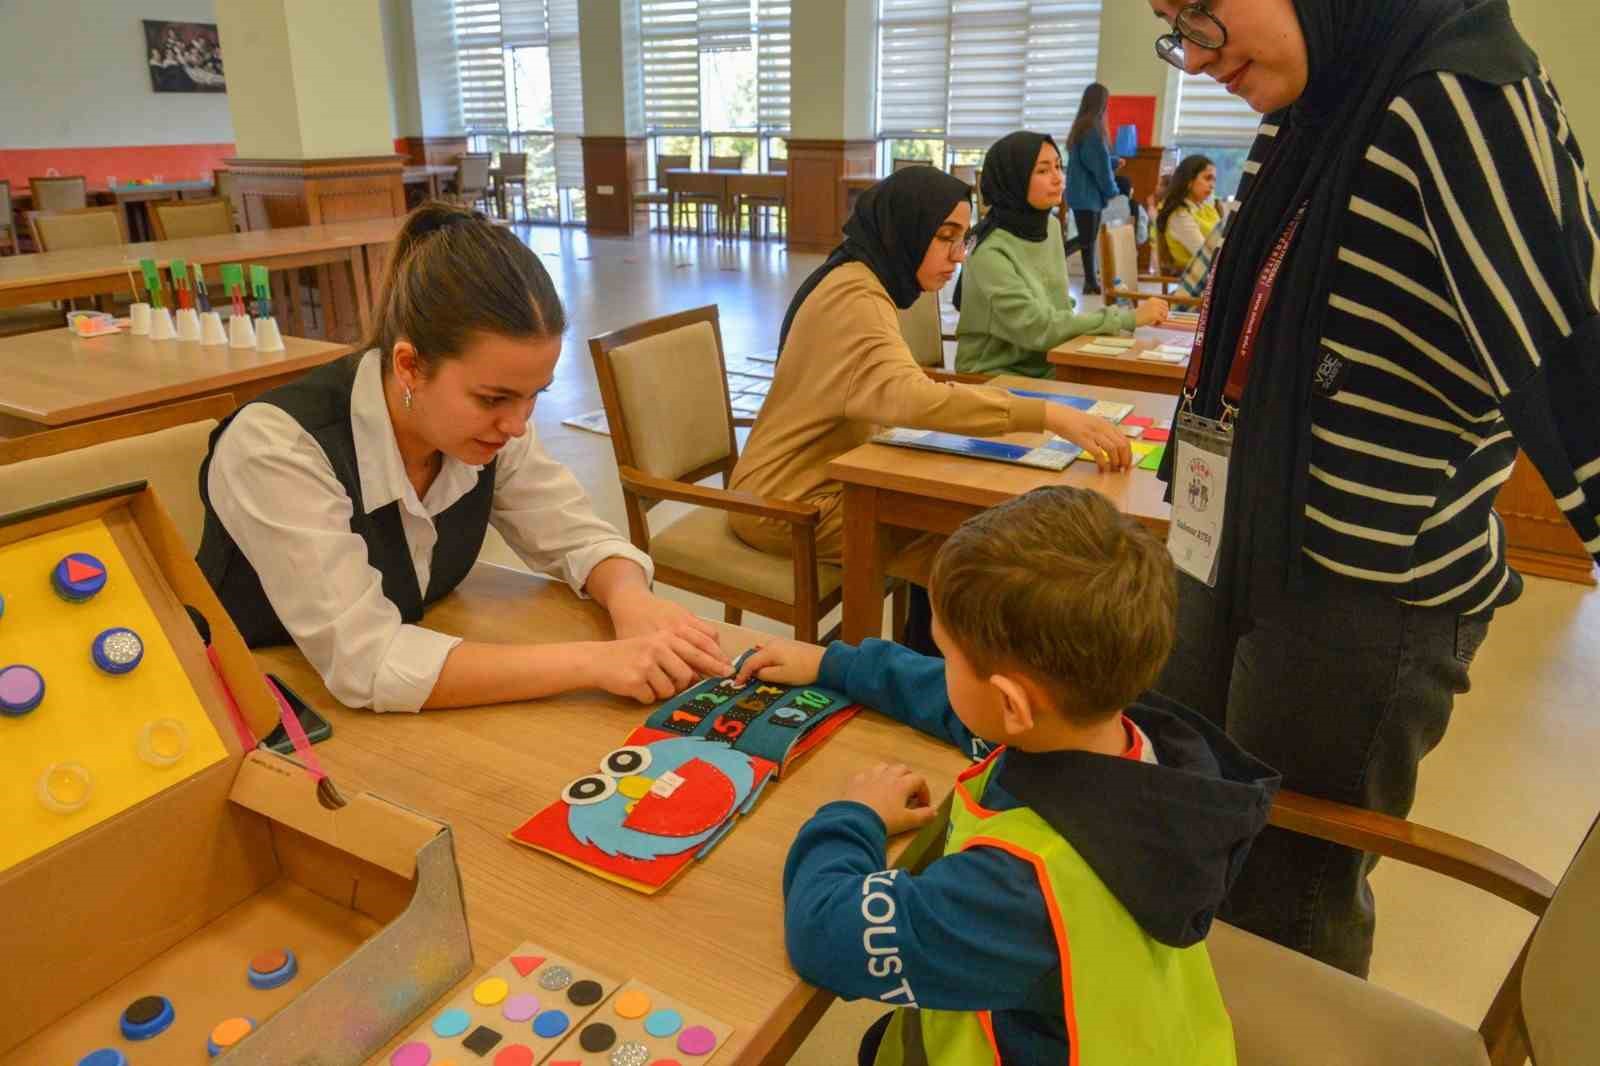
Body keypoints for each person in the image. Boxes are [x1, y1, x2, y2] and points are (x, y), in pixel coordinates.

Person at [1148, 0, 1600, 978]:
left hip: (1361, 594)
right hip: (1233, 543)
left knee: (1285, 897)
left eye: (1201, 11)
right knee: (1176, 818)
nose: (1192, 54)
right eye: (1168, 22)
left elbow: (1573, 365)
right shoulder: (1314, 98)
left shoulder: (1461, 95)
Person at [735, 487, 1278, 1065]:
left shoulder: (1013, 893)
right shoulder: (1133, 742)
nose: (940, 668)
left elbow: (822, 933)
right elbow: (966, 707)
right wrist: (832, 662)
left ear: (1012, 705)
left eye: (946, 655)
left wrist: (855, 816)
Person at [198, 203, 733, 712]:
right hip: (262, 698)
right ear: (408, 365)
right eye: (493, 398)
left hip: (396, 697)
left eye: (535, 396)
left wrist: (629, 599)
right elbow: (367, 662)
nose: (517, 425)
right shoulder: (278, 447)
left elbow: (577, 535)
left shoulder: (489, 430)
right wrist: (599, 662)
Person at [728, 167, 1133, 563]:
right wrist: (1046, 415)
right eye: (944, 238)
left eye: (962, 240)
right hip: (785, 505)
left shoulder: (867, 277)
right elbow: (913, 397)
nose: (958, 257)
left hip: (832, 474)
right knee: (971, 545)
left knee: (965, 524)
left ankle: (925, 630)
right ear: (906, 228)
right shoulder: (855, 297)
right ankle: (924, 631)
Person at [953, 131, 1169, 379]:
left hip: (1051, 363)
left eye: (1058, 167)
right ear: (1013, 180)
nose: (1058, 178)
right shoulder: (988, 250)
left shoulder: (1050, 227)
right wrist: (1127, 318)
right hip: (994, 377)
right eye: (1043, 171)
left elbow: (1057, 309)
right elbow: (1037, 328)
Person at [1062, 83, 1122, 293]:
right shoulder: (1093, 129)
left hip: (1080, 194)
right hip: (1087, 196)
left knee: (1088, 240)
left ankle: (1090, 282)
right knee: (1087, 239)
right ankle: (1052, 258)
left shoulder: (1082, 125)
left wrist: (1113, 162)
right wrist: (1112, 190)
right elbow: (1099, 166)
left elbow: (1094, 161)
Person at [1157, 154, 1220, 271]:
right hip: (1199, 280)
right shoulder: (1180, 215)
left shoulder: (1207, 209)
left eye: (1214, 180)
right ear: (1189, 180)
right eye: (1207, 178)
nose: (1212, 185)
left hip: (1215, 271)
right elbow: (1207, 256)